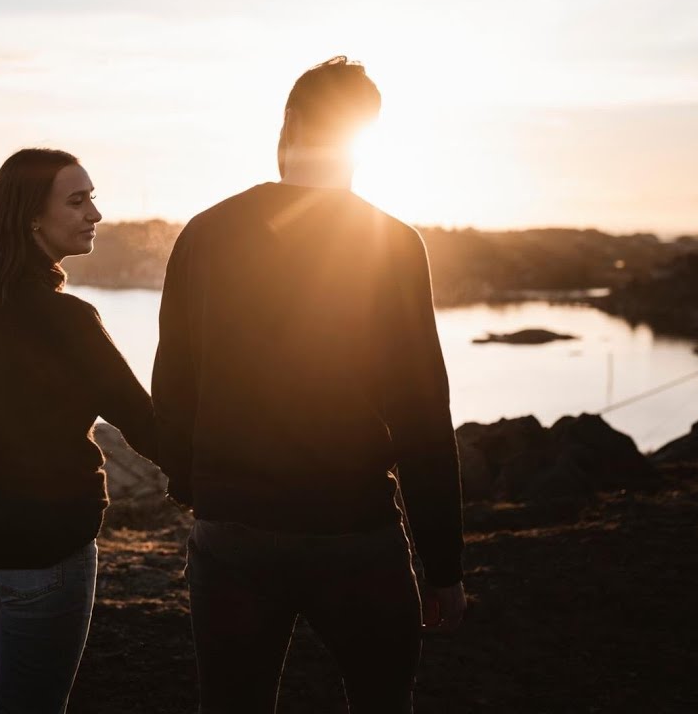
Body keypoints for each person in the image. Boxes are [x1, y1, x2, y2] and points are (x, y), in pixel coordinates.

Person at [152, 56, 467, 713]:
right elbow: (422, 413)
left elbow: (173, 388)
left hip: (233, 535)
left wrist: (199, 490)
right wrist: (443, 568)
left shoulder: (205, 234)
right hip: (354, 533)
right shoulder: (391, 242)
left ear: (289, 126)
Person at [0, 147, 157, 713]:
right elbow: (145, 422)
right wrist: (213, 483)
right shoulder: (69, 321)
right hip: (42, 556)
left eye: (92, 199)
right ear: (32, 217)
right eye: (78, 200)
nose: (95, 214)